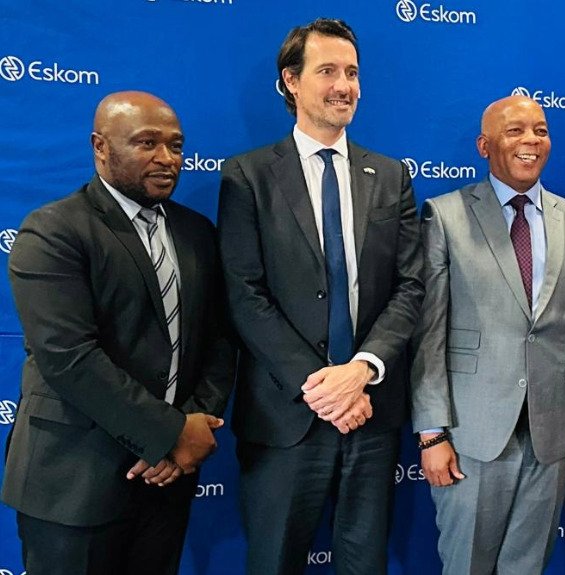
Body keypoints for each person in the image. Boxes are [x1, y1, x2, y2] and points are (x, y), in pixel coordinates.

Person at [217, 18, 423, 575]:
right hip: (287, 418)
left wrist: (362, 370)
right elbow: (245, 294)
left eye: (352, 73)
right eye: (327, 71)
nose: (344, 85)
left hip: (371, 416)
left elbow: (410, 286)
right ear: (291, 81)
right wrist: (324, 387)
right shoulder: (248, 176)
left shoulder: (391, 176)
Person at [2, 91, 236, 574]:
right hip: (74, 485)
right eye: (147, 143)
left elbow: (219, 340)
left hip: (167, 483)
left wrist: (193, 425)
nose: (167, 158)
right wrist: (171, 434)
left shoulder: (197, 233)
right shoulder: (53, 231)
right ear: (100, 147)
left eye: (175, 145)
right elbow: (69, 358)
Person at [411, 94, 565, 574]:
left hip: (553, 437)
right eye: (514, 130)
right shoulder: (445, 216)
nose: (531, 141)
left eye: (540, 130)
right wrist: (430, 432)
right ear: (484, 145)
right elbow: (427, 334)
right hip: (469, 437)